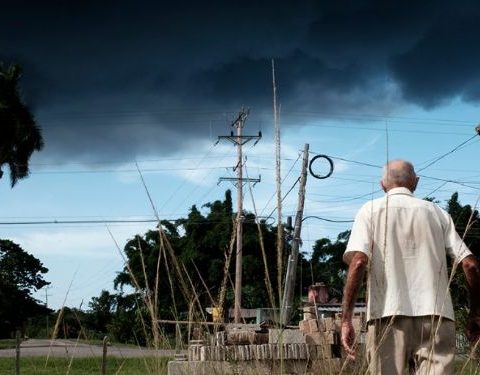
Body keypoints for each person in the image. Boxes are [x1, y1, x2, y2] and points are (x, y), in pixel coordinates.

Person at [341, 159, 480, 374]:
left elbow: (358, 262)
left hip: (386, 316)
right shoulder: (438, 213)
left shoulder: (369, 211)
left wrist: (346, 319)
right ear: (415, 182)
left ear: (382, 184)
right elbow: (470, 264)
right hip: (437, 317)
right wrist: (475, 313)